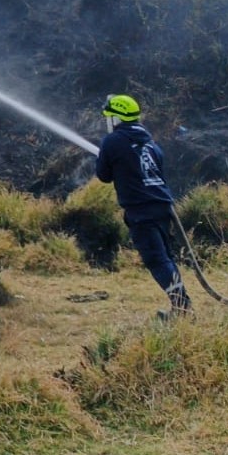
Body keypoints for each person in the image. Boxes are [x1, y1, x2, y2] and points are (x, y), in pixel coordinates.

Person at [95, 94, 192, 316]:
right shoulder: (151, 144)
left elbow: (103, 175)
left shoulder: (113, 141)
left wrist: (105, 158)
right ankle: (180, 305)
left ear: (116, 119)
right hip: (162, 207)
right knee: (165, 258)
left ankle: (182, 307)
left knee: (156, 260)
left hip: (141, 210)